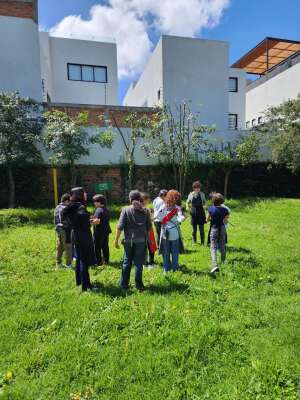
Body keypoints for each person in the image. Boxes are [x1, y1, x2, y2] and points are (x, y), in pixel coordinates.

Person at [115, 190, 152, 291]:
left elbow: (120, 226)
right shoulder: (146, 210)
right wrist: (149, 241)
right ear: (140, 198)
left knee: (127, 262)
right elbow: (149, 228)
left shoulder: (125, 210)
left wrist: (116, 240)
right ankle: (138, 285)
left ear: (130, 199)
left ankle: (124, 284)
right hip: (141, 240)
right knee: (139, 263)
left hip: (128, 240)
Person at [63, 187, 96, 292]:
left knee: (79, 259)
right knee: (84, 259)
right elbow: (81, 217)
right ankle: (86, 287)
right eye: (84, 192)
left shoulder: (72, 205)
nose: (86, 194)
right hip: (83, 234)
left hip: (75, 233)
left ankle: (80, 281)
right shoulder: (80, 206)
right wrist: (89, 221)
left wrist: (77, 223)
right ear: (80, 194)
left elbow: (66, 215)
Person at [157, 190, 185, 273]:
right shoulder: (177, 208)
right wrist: (181, 218)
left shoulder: (163, 207)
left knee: (166, 251)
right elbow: (181, 218)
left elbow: (158, 217)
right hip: (174, 232)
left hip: (165, 232)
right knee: (174, 251)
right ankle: (174, 268)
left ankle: (167, 268)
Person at [207, 193, 229, 274]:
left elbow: (207, 219)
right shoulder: (225, 210)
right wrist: (224, 219)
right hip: (222, 229)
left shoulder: (211, 209)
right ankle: (223, 261)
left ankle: (214, 264)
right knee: (222, 245)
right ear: (222, 201)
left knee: (213, 247)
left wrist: (211, 219)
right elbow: (225, 221)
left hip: (214, 229)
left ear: (213, 201)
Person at [91, 194, 112, 266]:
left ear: (99, 202)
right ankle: (106, 260)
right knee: (105, 246)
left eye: (95, 202)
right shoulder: (106, 209)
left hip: (99, 232)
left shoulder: (98, 210)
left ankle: (98, 261)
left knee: (97, 247)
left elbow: (97, 221)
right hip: (106, 230)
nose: (94, 203)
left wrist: (89, 221)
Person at [54, 193, 72, 268]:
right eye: (70, 202)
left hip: (58, 229)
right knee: (68, 246)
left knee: (60, 246)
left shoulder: (58, 207)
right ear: (66, 201)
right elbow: (66, 221)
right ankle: (69, 264)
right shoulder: (65, 208)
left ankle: (58, 263)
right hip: (65, 229)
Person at [186, 181, 206, 245]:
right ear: (194, 188)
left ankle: (202, 242)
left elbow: (204, 202)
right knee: (194, 230)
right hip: (193, 212)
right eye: (196, 188)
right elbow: (187, 202)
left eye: (199, 188)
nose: (198, 189)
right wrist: (187, 207)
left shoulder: (202, 194)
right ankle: (194, 241)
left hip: (201, 212)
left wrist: (205, 205)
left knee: (201, 229)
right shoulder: (191, 194)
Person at [141, 192, 157, 268]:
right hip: (147, 230)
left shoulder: (146, 208)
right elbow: (149, 219)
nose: (148, 201)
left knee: (150, 246)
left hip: (145, 230)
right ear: (143, 200)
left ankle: (148, 262)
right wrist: (153, 217)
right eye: (147, 200)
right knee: (149, 246)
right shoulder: (145, 209)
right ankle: (149, 262)